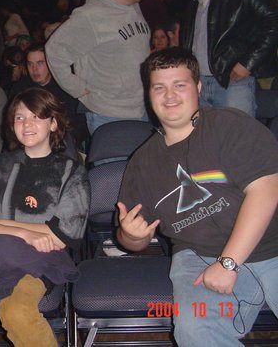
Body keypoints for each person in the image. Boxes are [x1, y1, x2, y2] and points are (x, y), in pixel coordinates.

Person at [117, 47, 278, 347]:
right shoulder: (142, 162)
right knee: (195, 327)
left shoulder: (229, 124)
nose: (170, 96)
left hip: (271, 243)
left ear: (198, 87)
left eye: (180, 85)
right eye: (159, 87)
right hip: (197, 257)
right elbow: (131, 241)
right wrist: (131, 235)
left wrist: (228, 263)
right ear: (148, 94)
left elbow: (267, 189)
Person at [0, 87, 89, 347]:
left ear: (53, 122)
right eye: (20, 117)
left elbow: (63, 236)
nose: (27, 124)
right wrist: (27, 232)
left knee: (18, 312)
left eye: (36, 116)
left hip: (38, 261)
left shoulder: (71, 172)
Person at [46, 0, 154, 134]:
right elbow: (54, 52)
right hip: (108, 113)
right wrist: (78, 88)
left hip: (141, 108)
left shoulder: (134, 7)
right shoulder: (90, 16)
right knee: (116, 164)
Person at [180, 0, 278, 117]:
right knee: (208, 139)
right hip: (199, 83)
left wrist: (248, 63)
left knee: (238, 138)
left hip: (232, 83)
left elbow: (273, 20)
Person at [11, 44, 88, 148]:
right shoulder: (20, 90)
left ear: (50, 63)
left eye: (40, 63)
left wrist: (71, 139)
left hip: (64, 143)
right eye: (30, 64)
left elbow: (80, 122)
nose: (34, 69)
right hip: (30, 142)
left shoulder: (66, 86)